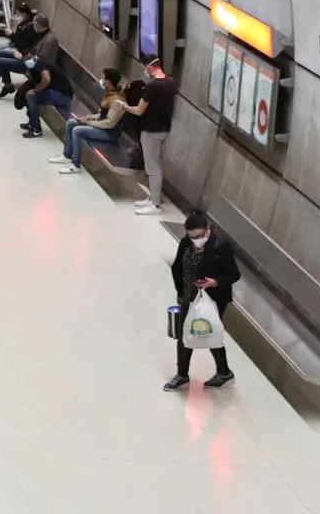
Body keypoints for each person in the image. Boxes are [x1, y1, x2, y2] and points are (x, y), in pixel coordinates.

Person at [164, 211, 239, 391]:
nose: (194, 241)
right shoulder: (186, 243)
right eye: (191, 237)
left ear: (206, 230)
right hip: (189, 296)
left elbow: (234, 274)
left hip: (213, 299)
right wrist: (181, 291)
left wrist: (215, 282)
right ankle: (182, 375)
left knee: (210, 333)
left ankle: (224, 372)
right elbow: (177, 267)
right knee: (184, 335)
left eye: (197, 237)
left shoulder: (221, 247)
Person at [123, 54, 178, 216]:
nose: (144, 71)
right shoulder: (170, 82)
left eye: (144, 67)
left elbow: (139, 110)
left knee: (152, 168)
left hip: (151, 131)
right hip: (163, 129)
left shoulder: (152, 87)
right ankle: (152, 198)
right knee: (156, 165)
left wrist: (124, 106)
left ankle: (154, 204)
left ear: (149, 66)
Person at [52, 69, 130, 174]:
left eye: (103, 78)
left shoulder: (117, 101)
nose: (101, 80)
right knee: (71, 123)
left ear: (109, 81)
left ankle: (76, 165)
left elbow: (109, 123)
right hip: (101, 126)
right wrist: (88, 117)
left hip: (109, 133)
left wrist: (88, 123)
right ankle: (67, 155)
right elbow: (102, 114)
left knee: (77, 131)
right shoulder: (109, 95)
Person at [0, 13, 57, 101]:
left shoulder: (48, 40)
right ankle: (7, 85)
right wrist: (24, 54)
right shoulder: (43, 34)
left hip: (32, 66)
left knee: (0, 62)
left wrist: (23, 57)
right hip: (30, 59)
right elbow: (35, 51)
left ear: (38, 25)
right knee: (1, 53)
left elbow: (41, 61)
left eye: (34, 24)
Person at [0, 2, 38, 89]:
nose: (16, 16)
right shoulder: (22, 25)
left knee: (1, 52)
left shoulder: (29, 27)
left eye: (18, 14)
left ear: (25, 14)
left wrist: (11, 35)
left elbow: (21, 43)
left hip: (23, 52)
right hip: (19, 48)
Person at [19, 53, 74, 138]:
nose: (26, 61)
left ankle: (36, 129)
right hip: (66, 94)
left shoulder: (39, 63)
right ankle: (32, 123)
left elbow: (46, 79)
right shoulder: (40, 60)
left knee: (31, 97)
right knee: (68, 118)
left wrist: (36, 90)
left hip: (60, 94)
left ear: (33, 56)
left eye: (28, 59)